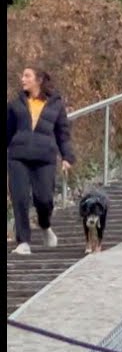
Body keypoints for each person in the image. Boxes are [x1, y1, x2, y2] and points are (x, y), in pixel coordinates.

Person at [6, 67, 75, 255]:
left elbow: (63, 134)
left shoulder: (56, 105)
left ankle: (45, 225)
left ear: (39, 80)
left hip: (45, 158)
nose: (23, 79)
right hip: (18, 157)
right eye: (23, 75)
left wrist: (67, 157)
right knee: (20, 198)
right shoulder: (15, 104)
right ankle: (23, 242)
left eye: (27, 76)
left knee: (44, 199)